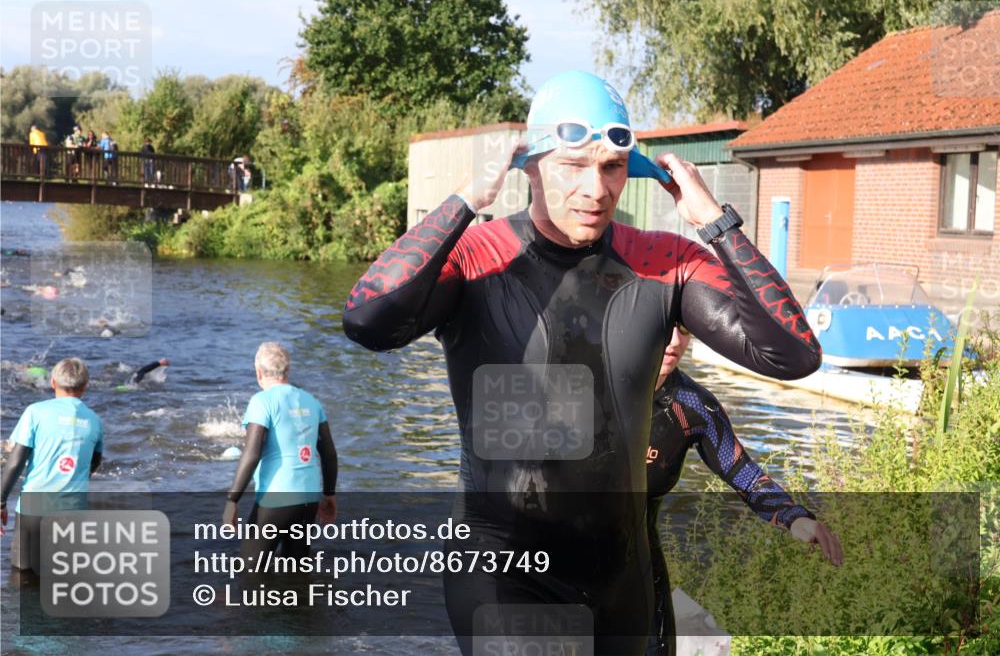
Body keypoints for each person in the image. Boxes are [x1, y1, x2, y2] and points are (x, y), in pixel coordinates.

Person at [342, 70, 821, 654]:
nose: (595, 189)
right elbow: (366, 320)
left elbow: (791, 354)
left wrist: (714, 221)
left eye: (611, 167)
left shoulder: (662, 261)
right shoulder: (479, 257)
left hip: (622, 583)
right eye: (572, 164)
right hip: (505, 574)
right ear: (530, 165)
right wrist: (467, 199)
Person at [645, 327, 843, 655]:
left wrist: (796, 518)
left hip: (639, 565)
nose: (674, 343)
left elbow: (744, 474)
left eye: (683, 331)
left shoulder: (692, 405)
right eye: (664, 328)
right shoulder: (592, 389)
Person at [223, 342, 338, 559]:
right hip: (309, 499)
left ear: (258, 372)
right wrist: (329, 495)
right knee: (297, 571)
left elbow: (252, 453)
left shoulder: (262, 401)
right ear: (288, 371)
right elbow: (329, 454)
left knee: (251, 571)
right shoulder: (312, 401)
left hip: (275, 499)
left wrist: (232, 500)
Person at [0, 358, 103, 574]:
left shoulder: (35, 412)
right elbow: (93, 463)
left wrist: (1, 502)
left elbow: (16, 461)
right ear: (85, 386)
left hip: (34, 506)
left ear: (53, 382)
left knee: (23, 574)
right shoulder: (94, 420)